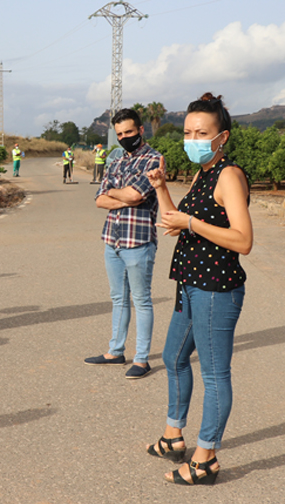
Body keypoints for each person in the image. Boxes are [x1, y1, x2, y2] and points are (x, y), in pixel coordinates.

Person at [145, 93, 252, 486]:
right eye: (188, 132)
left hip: (216, 290)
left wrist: (191, 223)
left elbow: (243, 240)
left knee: (215, 373)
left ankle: (206, 459)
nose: (192, 139)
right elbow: (176, 221)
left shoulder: (229, 176)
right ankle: (174, 436)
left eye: (201, 133)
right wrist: (161, 188)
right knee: (173, 357)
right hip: (190, 285)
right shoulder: (202, 174)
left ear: (222, 137)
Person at [85, 108, 162, 379]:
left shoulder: (154, 159)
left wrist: (116, 194)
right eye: (119, 134)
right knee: (118, 298)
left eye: (128, 132)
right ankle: (115, 351)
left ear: (141, 130)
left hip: (138, 241)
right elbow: (99, 199)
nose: (124, 137)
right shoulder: (115, 161)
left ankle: (141, 359)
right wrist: (123, 197)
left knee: (141, 300)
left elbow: (136, 195)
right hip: (112, 240)